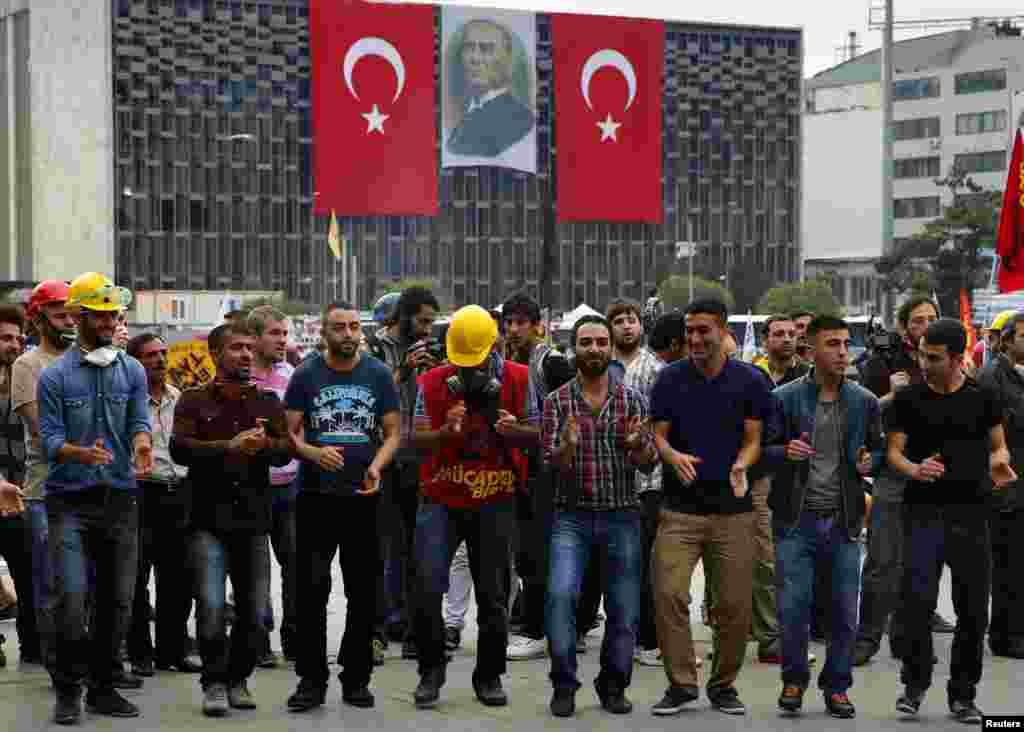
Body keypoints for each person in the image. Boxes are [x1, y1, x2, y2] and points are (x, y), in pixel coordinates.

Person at [37, 272, 153, 724]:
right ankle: (68, 690)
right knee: (70, 597)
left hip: (120, 499)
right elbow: (48, 439)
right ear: (80, 316)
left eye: (114, 315)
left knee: (117, 599)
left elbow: (139, 420)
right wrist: (78, 452)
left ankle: (104, 688)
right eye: (101, 315)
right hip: (69, 499)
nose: (109, 322)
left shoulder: (133, 370)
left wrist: (142, 444)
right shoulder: (54, 376)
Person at [886, 318, 1014, 724]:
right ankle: (914, 682)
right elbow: (894, 453)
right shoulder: (909, 399)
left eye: (934, 357)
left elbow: (999, 447)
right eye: (922, 353)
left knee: (973, 609)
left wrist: (1000, 465)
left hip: (972, 514)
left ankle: (963, 695)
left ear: (957, 359)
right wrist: (914, 469)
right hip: (922, 513)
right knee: (916, 603)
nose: (924, 362)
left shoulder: (983, 397)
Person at [649, 298, 773, 717]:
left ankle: (723, 685)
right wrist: (672, 456)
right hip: (679, 512)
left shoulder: (751, 381)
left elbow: (755, 438)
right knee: (667, 595)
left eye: (703, 330)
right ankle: (681, 685)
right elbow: (658, 437)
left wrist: (743, 462)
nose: (695, 338)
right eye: (690, 331)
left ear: (722, 332)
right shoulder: (669, 379)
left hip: (733, 512)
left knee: (734, 606)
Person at [409, 305, 531, 710]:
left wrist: (517, 431)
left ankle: (490, 674)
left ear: (492, 346)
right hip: (441, 496)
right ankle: (430, 669)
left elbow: (539, 430)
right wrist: (445, 431)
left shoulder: (518, 377)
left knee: (494, 594)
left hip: (495, 498)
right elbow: (416, 437)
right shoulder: (431, 381)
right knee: (426, 585)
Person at [284, 301, 401, 713]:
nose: (348, 334)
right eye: (339, 327)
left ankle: (356, 677)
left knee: (364, 592)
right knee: (311, 591)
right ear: (324, 332)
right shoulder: (306, 374)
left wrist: (376, 466)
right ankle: (311, 680)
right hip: (316, 499)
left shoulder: (378, 374)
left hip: (363, 501)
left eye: (354, 326)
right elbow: (289, 436)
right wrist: (313, 454)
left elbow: (392, 434)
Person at [170, 321, 291, 718]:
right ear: (217, 353)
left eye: (249, 348)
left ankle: (238, 679)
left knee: (254, 613)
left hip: (254, 521)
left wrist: (265, 445)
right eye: (237, 347)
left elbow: (284, 451)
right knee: (210, 606)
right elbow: (181, 449)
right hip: (206, 520)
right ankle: (214, 683)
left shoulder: (268, 401)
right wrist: (230, 447)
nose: (245, 354)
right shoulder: (193, 399)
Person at [542, 314, 656, 718]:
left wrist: (636, 445)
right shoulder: (556, 401)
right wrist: (567, 446)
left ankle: (613, 685)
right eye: (586, 342)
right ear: (575, 348)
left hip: (622, 514)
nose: (594, 349)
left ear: (611, 349)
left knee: (624, 608)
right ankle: (564, 684)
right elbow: (552, 467)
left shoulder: (633, 401)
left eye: (601, 342)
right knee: (560, 597)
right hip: (570, 517)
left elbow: (646, 465)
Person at [768, 315, 882, 719]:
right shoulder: (783, 399)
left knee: (844, 613)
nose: (841, 352)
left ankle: (837, 687)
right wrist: (785, 453)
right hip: (795, 522)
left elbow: (880, 451)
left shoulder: (864, 401)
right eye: (832, 344)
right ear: (810, 350)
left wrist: (873, 460)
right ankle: (794, 681)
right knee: (793, 609)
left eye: (845, 343)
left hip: (844, 520)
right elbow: (760, 452)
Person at [853, 296, 952, 668]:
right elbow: (864, 412)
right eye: (917, 320)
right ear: (904, 326)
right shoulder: (882, 364)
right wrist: (892, 393)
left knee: (922, 563)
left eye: (931, 319)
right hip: (893, 472)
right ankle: (867, 637)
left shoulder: (951, 364)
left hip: (934, 472)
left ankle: (909, 638)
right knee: (881, 560)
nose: (925, 326)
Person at [503, 291, 573, 662]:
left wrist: (530, 430)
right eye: (508, 323)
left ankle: (537, 630)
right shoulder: (503, 359)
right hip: (515, 469)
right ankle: (529, 622)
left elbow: (570, 416)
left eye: (520, 323)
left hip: (546, 470)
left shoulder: (553, 362)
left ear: (537, 326)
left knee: (540, 552)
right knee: (521, 553)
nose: (513, 329)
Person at [372, 287, 442, 659]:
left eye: (433, 322)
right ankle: (380, 630)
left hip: (422, 458)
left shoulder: (431, 348)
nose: (428, 329)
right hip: (384, 459)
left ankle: (418, 633)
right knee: (385, 548)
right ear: (404, 316)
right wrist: (404, 370)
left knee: (423, 549)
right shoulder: (375, 348)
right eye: (423, 321)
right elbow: (371, 390)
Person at [12, 280, 76, 675]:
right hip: (45, 487)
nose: (68, 321)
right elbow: (41, 431)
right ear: (38, 319)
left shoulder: (89, 359)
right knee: (52, 584)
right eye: (59, 314)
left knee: (85, 582)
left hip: (91, 483)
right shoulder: (28, 365)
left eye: (73, 313)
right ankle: (59, 666)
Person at [124, 334, 197, 676]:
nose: (160, 359)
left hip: (177, 491)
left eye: (163, 353)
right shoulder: (127, 400)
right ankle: (140, 652)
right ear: (135, 361)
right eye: (151, 355)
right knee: (136, 577)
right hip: (140, 492)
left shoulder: (178, 397)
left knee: (178, 579)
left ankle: (174, 650)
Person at [606, 299, 664, 669]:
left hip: (648, 479)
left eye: (632, 321)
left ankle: (648, 639)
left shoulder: (654, 368)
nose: (627, 326)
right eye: (620, 321)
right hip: (606, 478)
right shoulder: (600, 365)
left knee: (643, 564)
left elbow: (661, 421)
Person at [247, 305, 300, 667]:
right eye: (275, 334)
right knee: (254, 570)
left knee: (295, 565)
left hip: (290, 485)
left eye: (285, 334)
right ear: (254, 338)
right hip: (250, 487)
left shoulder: (292, 376)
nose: (282, 341)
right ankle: (259, 640)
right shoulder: (241, 376)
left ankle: (294, 640)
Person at [974, 312, 1024, 660]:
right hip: (1005, 484)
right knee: (1008, 564)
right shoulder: (991, 377)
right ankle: (1007, 635)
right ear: (1006, 341)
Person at [0, 304, 39, 668]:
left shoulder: (29, 380)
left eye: (17, 338)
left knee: (30, 574)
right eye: (5, 337)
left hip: (23, 494)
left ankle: (34, 646)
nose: (13, 344)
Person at [446, 19, 535, 158]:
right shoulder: (469, 109)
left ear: (507, 59)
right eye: (469, 48)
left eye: (486, 49)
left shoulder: (520, 119)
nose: (474, 58)